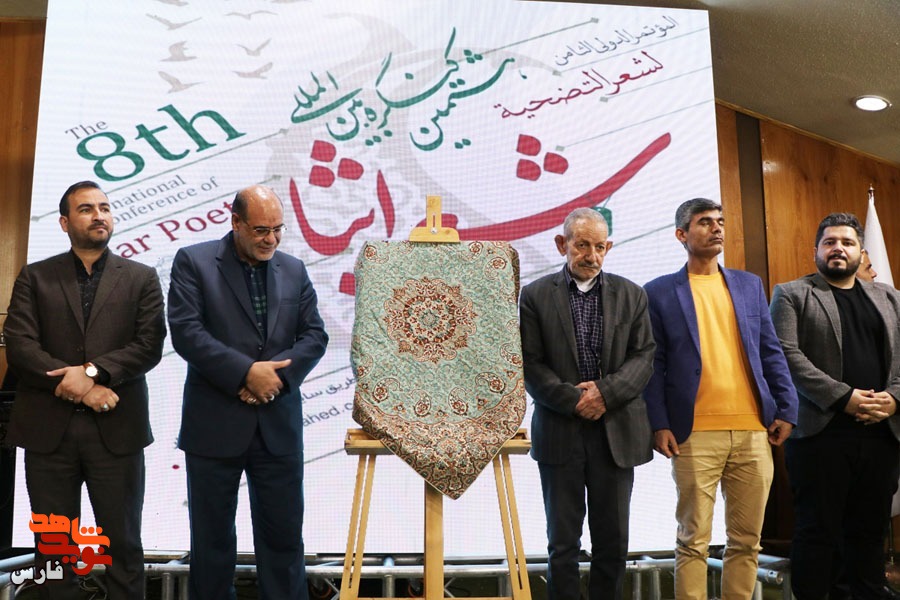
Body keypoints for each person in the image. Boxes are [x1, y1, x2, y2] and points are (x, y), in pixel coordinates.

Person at [4, 180, 166, 599]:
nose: (99, 216)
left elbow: (149, 345)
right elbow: (20, 346)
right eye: (86, 209)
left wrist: (92, 373)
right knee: (54, 550)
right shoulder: (36, 276)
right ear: (64, 222)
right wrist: (83, 389)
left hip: (117, 431)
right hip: (49, 433)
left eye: (104, 208)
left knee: (122, 545)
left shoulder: (141, 278)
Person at [167, 184, 328, 599]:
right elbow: (186, 332)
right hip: (214, 425)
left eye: (278, 229)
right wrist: (245, 374)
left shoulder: (294, 269)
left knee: (284, 541)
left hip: (278, 425)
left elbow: (314, 336)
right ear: (235, 222)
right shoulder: (194, 262)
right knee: (212, 543)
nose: (271, 239)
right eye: (261, 230)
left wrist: (274, 379)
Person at [643, 198, 798, 600]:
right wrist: (659, 423)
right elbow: (654, 365)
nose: (716, 228)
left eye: (720, 221)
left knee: (747, 541)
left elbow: (770, 351)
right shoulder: (658, 292)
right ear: (681, 234)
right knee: (693, 540)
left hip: (753, 431)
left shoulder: (748, 285)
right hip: (693, 433)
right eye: (704, 222)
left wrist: (786, 408)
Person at [519, 207, 656, 599]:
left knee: (612, 542)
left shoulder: (631, 294)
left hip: (616, 434)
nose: (591, 256)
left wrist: (604, 395)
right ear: (562, 244)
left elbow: (644, 356)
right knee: (562, 544)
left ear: (608, 247)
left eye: (599, 247)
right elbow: (530, 363)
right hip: (560, 430)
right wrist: (576, 401)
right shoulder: (535, 295)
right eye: (582, 245)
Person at [770, 212, 900, 600]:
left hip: (881, 434)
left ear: (861, 251)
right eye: (830, 242)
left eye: (847, 242)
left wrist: (894, 398)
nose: (838, 248)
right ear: (816, 250)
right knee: (818, 532)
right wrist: (845, 398)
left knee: (870, 532)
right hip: (820, 434)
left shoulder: (891, 298)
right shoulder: (792, 294)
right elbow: (786, 354)